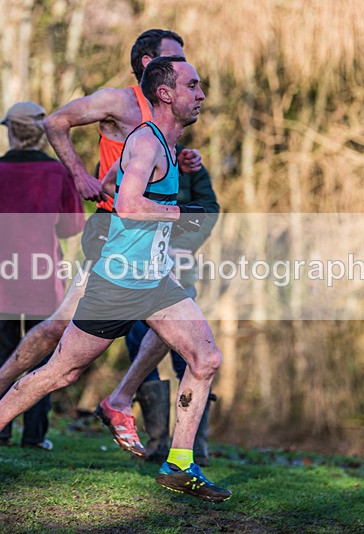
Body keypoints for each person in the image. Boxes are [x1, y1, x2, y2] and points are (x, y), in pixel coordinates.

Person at [0, 57, 232, 502]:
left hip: (155, 281)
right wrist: (181, 212)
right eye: (193, 86)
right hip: (119, 284)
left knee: (206, 359)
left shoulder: (160, 141)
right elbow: (126, 205)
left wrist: (129, 190)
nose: (201, 95)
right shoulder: (147, 143)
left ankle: (181, 464)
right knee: (61, 372)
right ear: (166, 93)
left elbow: (111, 183)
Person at [0, 101, 85, 450]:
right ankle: (35, 436)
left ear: (10, 131)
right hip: (43, 278)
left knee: (3, 351)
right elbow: (71, 226)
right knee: (43, 356)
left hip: (1, 276)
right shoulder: (58, 174)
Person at [113, 155, 219, 466]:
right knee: (138, 342)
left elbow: (208, 209)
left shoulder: (188, 162)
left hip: (179, 265)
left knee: (189, 351)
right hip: (134, 266)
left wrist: (180, 244)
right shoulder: (125, 159)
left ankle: (195, 446)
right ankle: (157, 442)